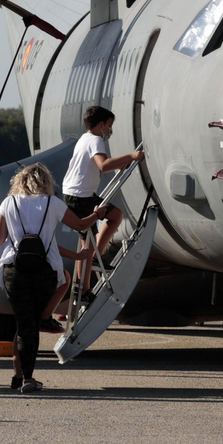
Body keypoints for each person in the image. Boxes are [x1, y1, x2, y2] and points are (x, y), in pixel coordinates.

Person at [0, 162, 103, 393]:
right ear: (46, 182)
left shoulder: (8, 202)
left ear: (20, 181)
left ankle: (18, 376)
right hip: (45, 272)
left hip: (14, 271)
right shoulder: (53, 203)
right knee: (30, 324)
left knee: (23, 325)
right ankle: (28, 378)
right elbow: (80, 224)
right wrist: (97, 214)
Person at [60, 106, 145, 300]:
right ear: (101, 124)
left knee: (115, 216)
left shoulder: (84, 138)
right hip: (80, 196)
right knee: (87, 244)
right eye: (109, 126)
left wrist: (122, 162)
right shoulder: (96, 140)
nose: (109, 130)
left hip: (78, 193)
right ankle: (84, 290)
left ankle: (95, 256)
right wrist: (131, 156)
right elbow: (103, 165)